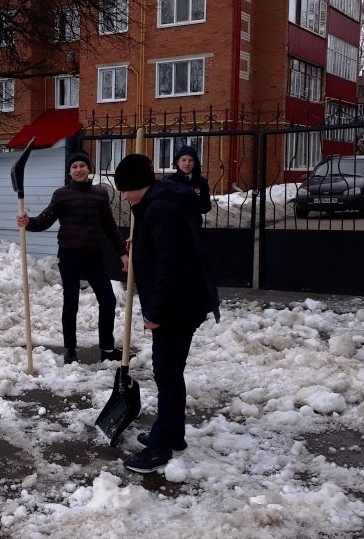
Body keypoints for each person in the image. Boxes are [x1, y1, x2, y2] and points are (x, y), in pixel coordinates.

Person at [113, 153, 220, 474]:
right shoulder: (159, 205)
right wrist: (141, 240)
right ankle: (172, 433)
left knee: (167, 373)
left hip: (178, 306)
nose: (124, 196)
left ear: (137, 186)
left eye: (126, 189)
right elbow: (167, 246)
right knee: (170, 373)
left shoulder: (161, 208)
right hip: (185, 301)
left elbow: (169, 266)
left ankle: (160, 448)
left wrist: (154, 312)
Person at [16, 151, 128, 365]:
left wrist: (122, 252)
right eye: (74, 166)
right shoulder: (62, 195)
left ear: (89, 169)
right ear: (69, 172)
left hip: (94, 255)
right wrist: (28, 221)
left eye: (82, 166)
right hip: (69, 255)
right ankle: (70, 349)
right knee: (71, 302)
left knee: (108, 300)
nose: (78, 169)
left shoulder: (100, 195)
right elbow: (45, 220)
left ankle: (106, 348)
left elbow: (110, 227)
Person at [166, 145, 212, 225]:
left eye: (190, 160)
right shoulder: (169, 181)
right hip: (173, 225)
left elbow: (206, 207)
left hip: (194, 226)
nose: (187, 164)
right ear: (177, 162)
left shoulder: (201, 182)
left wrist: (193, 202)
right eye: (183, 160)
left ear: (195, 163)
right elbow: (164, 205)